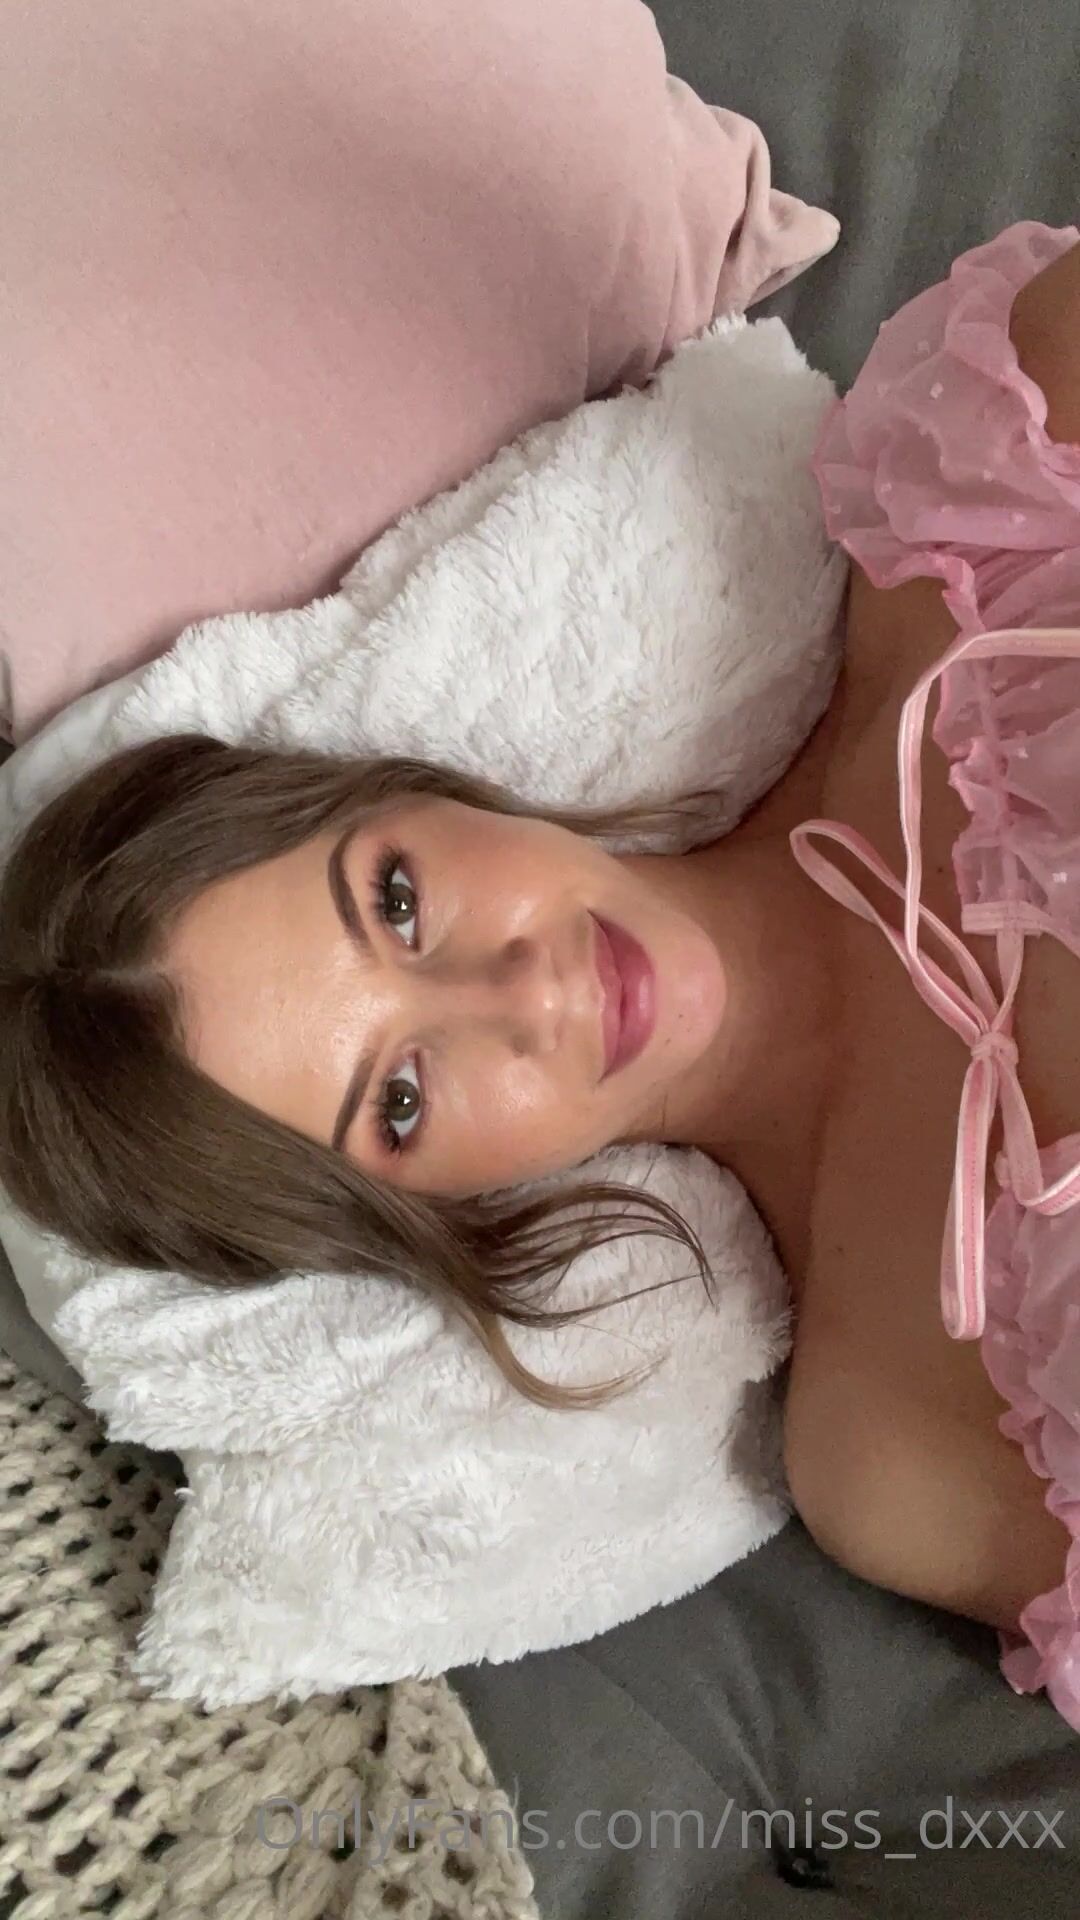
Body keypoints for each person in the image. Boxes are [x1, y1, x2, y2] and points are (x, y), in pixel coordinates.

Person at [2, 222, 1080, 1728]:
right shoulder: (899, 1441)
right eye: (399, 1096)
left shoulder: (984, 485)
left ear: (405, 784)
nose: (519, 997)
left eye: (397, 901)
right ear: (420, 1210)